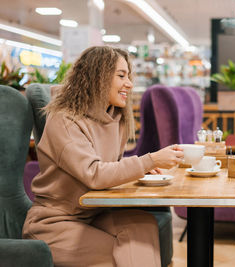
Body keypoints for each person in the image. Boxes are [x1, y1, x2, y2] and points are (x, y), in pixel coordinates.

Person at [22, 46, 184, 267]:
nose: (129, 83)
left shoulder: (114, 117)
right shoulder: (64, 120)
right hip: (53, 222)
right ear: (97, 76)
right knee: (129, 255)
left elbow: (109, 167)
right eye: (121, 75)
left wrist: (142, 169)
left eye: (129, 76)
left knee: (145, 225)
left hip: (92, 215)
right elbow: (94, 174)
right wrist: (150, 160)